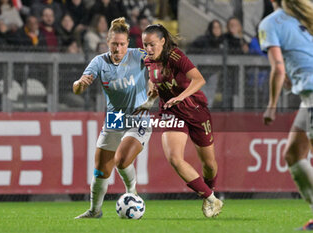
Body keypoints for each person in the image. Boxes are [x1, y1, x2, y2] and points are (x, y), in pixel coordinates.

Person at [140, 24, 223, 218]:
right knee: (175, 158)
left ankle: (208, 194)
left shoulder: (175, 56)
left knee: (209, 164)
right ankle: (212, 199)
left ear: (162, 41)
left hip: (195, 110)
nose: (148, 49)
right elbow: (153, 79)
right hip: (171, 112)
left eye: (152, 44)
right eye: (145, 45)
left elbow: (199, 80)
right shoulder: (148, 60)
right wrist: (150, 97)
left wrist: (180, 96)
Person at [72, 17, 151, 219]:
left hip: (138, 116)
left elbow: (161, 70)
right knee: (100, 169)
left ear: (128, 44)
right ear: (108, 43)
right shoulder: (99, 61)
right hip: (115, 117)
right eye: (114, 44)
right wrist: (81, 83)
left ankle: (131, 192)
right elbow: (77, 89)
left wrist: (155, 88)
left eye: (122, 44)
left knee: (122, 160)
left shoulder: (139, 56)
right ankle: (94, 211)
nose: (118, 48)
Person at [259, 0, 313, 230]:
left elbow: (278, 68)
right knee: (293, 154)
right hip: (308, 97)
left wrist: (272, 105)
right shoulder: (308, 15)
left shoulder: (270, 23)